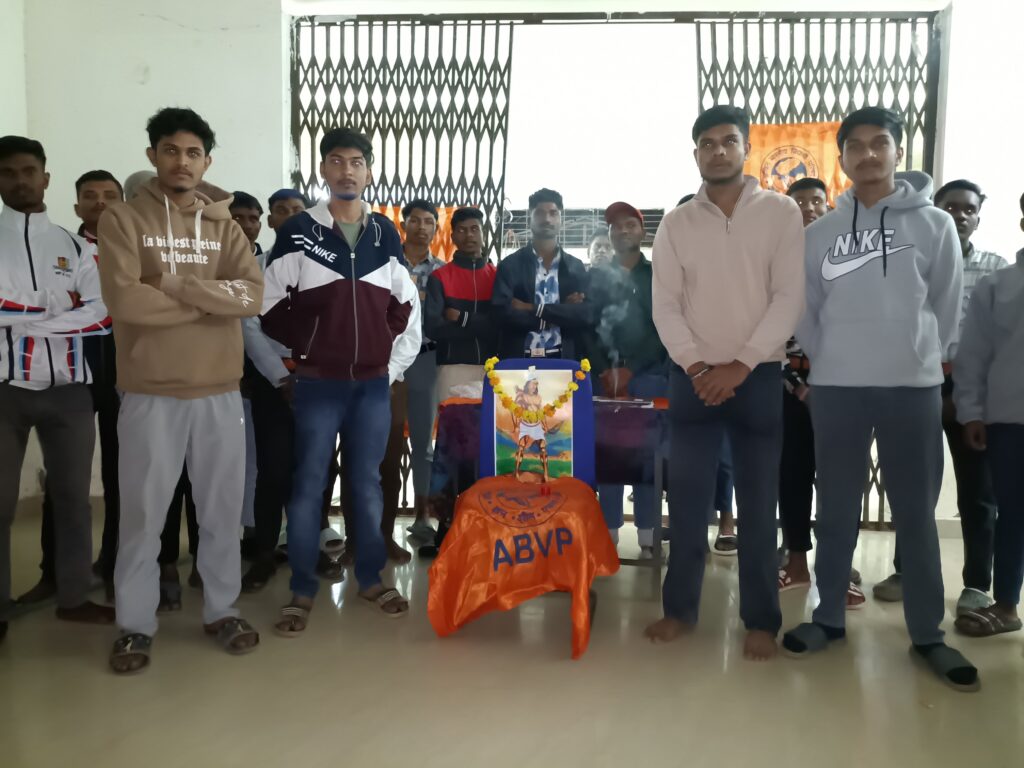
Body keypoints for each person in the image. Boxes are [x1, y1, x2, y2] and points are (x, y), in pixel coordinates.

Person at [783, 107, 978, 692]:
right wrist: (832, 356)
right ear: (842, 157)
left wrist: (916, 352)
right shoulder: (819, 234)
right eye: (856, 146)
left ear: (897, 152)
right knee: (836, 508)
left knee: (915, 513)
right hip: (838, 389)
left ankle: (928, 634)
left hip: (911, 388)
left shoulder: (935, 226)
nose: (868, 154)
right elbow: (805, 312)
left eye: (880, 143)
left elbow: (945, 306)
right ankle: (827, 618)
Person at [98, 107, 264, 673]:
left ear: (207, 162)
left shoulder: (225, 227)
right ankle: (134, 625)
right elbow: (126, 301)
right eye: (171, 150)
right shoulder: (123, 219)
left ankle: (222, 610)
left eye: (193, 153)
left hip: (220, 391)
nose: (182, 162)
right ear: (153, 156)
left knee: (221, 511)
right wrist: (210, 300)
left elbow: (251, 297)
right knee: (143, 516)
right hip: (151, 392)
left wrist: (171, 283)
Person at [647, 105, 805, 661]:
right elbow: (664, 305)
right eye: (707, 143)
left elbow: (788, 297)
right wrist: (696, 368)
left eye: (728, 141)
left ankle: (761, 620)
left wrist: (740, 365)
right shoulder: (676, 222)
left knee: (759, 506)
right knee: (688, 503)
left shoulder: (780, 212)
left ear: (746, 148)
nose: (718, 151)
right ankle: (679, 611)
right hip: (692, 379)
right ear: (695, 154)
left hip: (756, 378)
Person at [262, 126, 421, 635]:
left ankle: (371, 579)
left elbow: (405, 302)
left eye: (356, 162)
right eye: (336, 161)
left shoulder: (383, 234)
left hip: (371, 385)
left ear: (369, 171)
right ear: (324, 170)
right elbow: (268, 304)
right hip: (318, 385)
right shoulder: (299, 231)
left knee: (367, 486)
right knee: (308, 485)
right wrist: (311, 344)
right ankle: (302, 588)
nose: (347, 171)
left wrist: (381, 351)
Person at [0, 136, 116, 645]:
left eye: (29, 171)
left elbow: (102, 314)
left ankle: (73, 597)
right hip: (5, 388)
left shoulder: (73, 245)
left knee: (73, 498)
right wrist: (58, 304)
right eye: (8, 173)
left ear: (46, 178)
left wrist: (29, 317)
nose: (20, 181)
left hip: (70, 389)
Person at [874, 179, 1008, 614]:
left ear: (978, 218)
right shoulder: (913, 260)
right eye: (951, 207)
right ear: (935, 211)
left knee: (977, 491)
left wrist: (972, 395)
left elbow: (1000, 337)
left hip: (973, 391)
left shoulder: (995, 268)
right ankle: (906, 570)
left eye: (969, 209)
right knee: (914, 485)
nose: (960, 215)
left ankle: (977, 584)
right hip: (919, 383)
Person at [19, 170, 125, 605]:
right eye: (90, 196)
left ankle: (115, 566)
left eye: (110, 196)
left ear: (122, 204)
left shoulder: (137, 251)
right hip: (69, 375)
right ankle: (55, 574)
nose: (100, 203)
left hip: (124, 376)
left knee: (122, 477)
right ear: (77, 204)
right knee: (64, 481)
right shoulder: (59, 250)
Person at [776, 177, 865, 608]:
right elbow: (768, 334)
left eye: (816, 200)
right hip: (792, 393)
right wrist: (798, 388)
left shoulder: (848, 256)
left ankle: (838, 571)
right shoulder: (776, 262)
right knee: (792, 479)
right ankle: (796, 564)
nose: (809, 208)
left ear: (828, 206)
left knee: (840, 486)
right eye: (800, 202)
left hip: (844, 390)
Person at [341, 198, 445, 563]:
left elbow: (425, 326)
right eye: (415, 220)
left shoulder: (441, 271)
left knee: (417, 443)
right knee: (363, 449)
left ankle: (420, 518)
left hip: (418, 361)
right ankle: (355, 536)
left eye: (428, 222)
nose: (421, 227)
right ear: (402, 225)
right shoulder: (372, 265)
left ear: (436, 228)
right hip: (364, 366)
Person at [951, 199, 1024, 638]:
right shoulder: (999, 285)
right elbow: (974, 355)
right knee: (1012, 512)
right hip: (1009, 419)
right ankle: (1007, 603)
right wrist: (972, 412)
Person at [589, 201, 668, 558]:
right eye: (616, 225)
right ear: (608, 234)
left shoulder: (658, 275)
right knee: (608, 453)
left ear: (643, 231)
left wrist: (631, 368)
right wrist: (604, 369)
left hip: (648, 376)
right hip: (603, 377)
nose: (623, 230)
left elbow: (663, 329)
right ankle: (608, 533)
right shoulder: (594, 277)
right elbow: (587, 326)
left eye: (630, 225)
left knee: (647, 453)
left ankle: (649, 534)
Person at [239, 189, 309, 592]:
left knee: (313, 471)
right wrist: (280, 377)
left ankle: (305, 551)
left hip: (318, 382)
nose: (291, 217)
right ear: (271, 221)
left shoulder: (326, 265)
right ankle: (263, 555)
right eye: (282, 211)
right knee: (272, 471)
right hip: (273, 383)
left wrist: (312, 372)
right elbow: (248, 325)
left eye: (298, 211)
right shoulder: (256, 268)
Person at [492, 188, 592, 362]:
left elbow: (583, 314)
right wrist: (560, 312)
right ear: (529, 219)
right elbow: (502, 314)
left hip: (564, 360)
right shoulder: (510, 265)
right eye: (540, 213)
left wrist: (530, 308)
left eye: (553, 213)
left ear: (561, 219)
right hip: (520, 361)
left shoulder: (575, 267)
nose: (547, 219)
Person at [425, 206, 498, 399]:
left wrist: (462, 318)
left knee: (495, 420)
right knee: (452, 419)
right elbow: (433, 329)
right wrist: (485, 325)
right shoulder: (439, 277)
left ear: (483, 233)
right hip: (452, 367)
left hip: (494, 367)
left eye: (474, 229)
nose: (469, 235)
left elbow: (503, 324)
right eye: (462, 230)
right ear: (453, 237)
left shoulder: (498, 277)